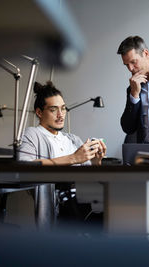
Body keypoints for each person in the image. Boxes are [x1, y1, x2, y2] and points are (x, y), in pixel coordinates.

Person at [17, 81, 106, 232]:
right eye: (54, 110)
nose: (61, 115)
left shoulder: (73, 138)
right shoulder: (33, 134)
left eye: (63, 109)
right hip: (63, 199)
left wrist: (96, 162)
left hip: (85, 195)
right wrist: (73, 158)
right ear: (39, 112)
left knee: (121, 200)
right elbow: (24, 166)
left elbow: (90, 177)